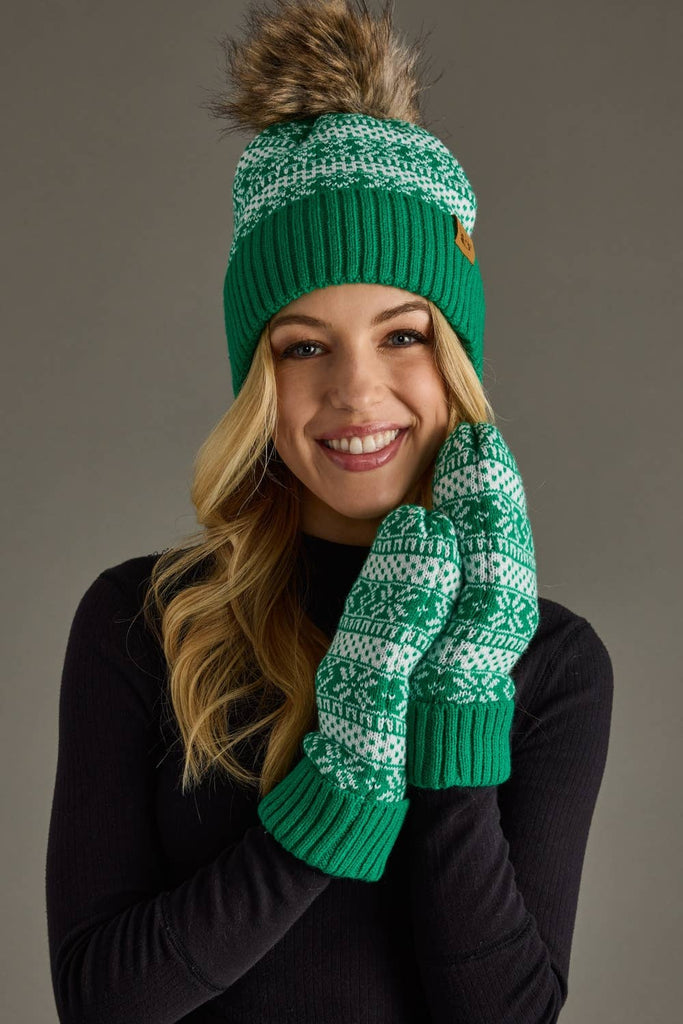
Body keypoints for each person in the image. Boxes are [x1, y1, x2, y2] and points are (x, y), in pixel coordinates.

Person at [45, 2, 613, 1021]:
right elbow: (101, 1000)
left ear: (455, 359)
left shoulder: (547, 661)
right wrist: (334, 791)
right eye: (303, 346)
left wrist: (455, 702)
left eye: (401, 335)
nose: (356, 391)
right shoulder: (145, 623)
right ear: (257, 382)